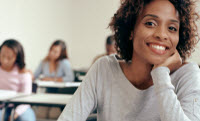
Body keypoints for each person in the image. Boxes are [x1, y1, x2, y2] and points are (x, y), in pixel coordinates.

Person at [58, 0, 200, 121]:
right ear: (131, 30)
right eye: (150, 23)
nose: (162, 35)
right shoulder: (104, 69)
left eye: (171, 28)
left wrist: (161, 74)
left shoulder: (187, 74)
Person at [0, 39, 36, 121]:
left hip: (20, 107)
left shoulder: (24, 74)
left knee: (26, 118)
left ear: (17, 57)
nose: (5, 60)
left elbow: (25, 100)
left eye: (9, 57)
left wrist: (16, 113)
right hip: (1, 106)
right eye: (2, 55)